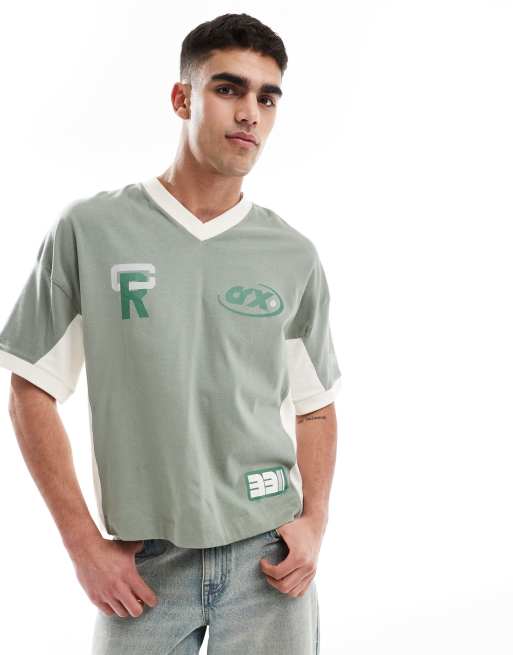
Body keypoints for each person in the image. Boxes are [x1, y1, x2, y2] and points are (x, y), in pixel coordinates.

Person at [0, 12, 341, 655]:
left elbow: (317, 406)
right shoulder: (90, 231)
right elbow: (30, 390)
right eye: (228, 89)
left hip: (268, 562)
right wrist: (82, 544)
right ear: (183, 98)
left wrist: (314, 522)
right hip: (143, 568)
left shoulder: (292, 254)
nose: (250, 113)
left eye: (267, 98)